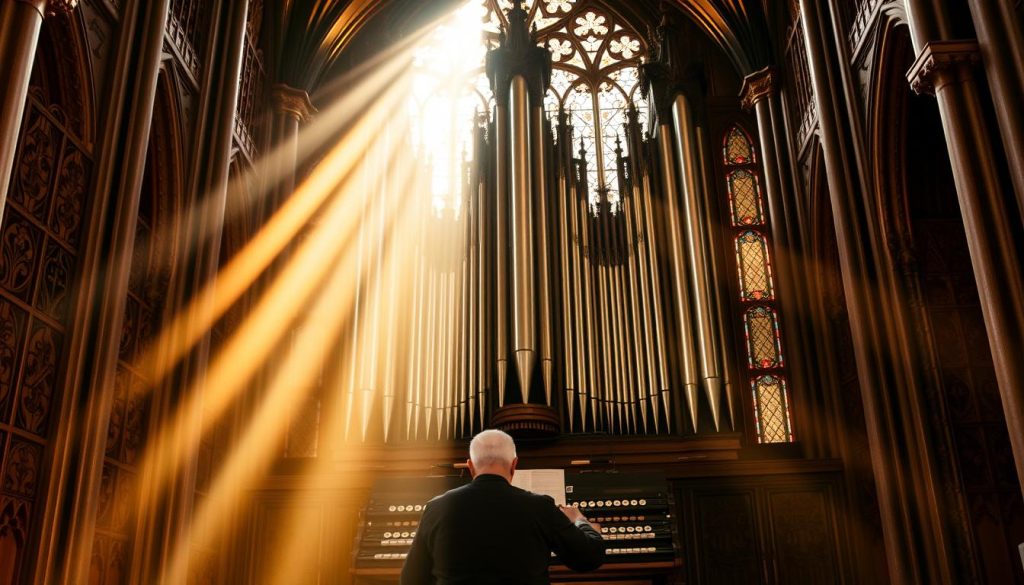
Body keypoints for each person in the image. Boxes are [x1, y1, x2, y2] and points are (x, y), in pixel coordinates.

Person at [400, 429, 605, 584]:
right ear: (514, 465)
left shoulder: (436, 508)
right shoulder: (540, 506)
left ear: (470, 466)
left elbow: (410, 579)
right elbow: (589, 558)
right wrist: (580, 521)